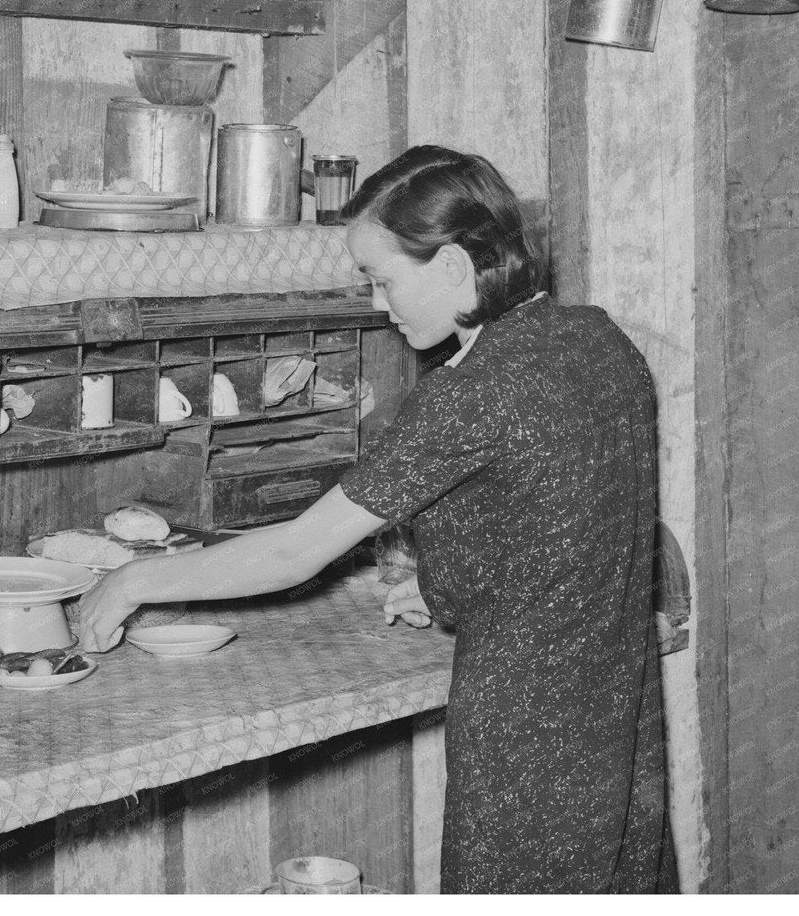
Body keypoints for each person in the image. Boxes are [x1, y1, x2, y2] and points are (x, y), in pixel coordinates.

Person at [74, 144, 677, 894]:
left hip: (524, 731)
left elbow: (295, 552)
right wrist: (451, 585)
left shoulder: (469, 392)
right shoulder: (600, 341)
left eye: (383, 278)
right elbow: (563, 513)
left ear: (454, 265)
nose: (376, 305)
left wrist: (136, 578)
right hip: (617, 711)